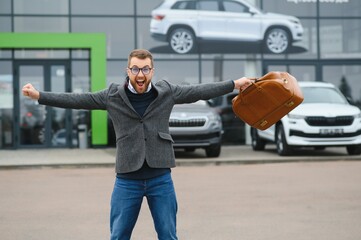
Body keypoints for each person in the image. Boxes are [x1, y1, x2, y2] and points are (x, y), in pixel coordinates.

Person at [22, 49, 252, 240]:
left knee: (168, 236)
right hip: (127, 179)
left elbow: (198, 91)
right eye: (135, 69)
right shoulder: (112, 95)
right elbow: (77, 100)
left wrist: (233, 84)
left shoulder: (167, 92)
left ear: (152, 71)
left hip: (160, 177)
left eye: (144, 69)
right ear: (128, 70)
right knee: (119, 236)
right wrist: (39, 96)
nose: (140, 74)